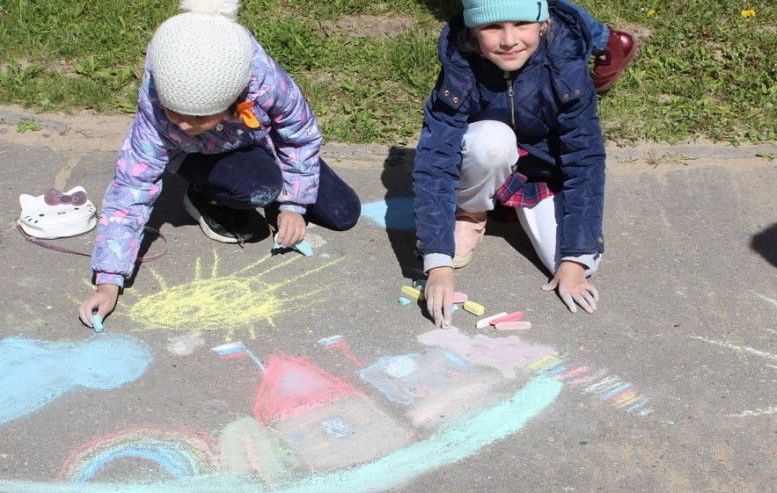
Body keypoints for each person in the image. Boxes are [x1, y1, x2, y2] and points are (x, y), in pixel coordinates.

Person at [78, 0, 360, 329]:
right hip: (198, 156)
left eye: (196, 117)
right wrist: (109, 280)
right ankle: (203, 195)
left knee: (343, 212)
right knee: (260, 186)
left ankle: (276, 191)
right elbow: (131, 187)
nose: (182, 126)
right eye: (174, 114)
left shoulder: (265, 83)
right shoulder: (156, 106)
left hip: (257, 140)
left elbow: (299, 135)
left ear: (232, 101)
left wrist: (295, 205)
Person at [413, 0, 607, 328]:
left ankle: (511, 204)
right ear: (473, 32)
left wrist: (577, 257)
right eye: (492, 26)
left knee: (574, 266)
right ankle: (472, 211)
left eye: (522, 24)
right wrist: (437, 262)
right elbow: (436, 159)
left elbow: (584, 160)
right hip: (487, 157)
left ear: (542, 24)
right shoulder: (461, 64)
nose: (509, 40)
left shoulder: (564, 64)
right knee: (491, 141)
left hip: (541, 175)